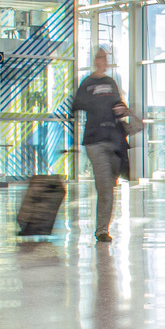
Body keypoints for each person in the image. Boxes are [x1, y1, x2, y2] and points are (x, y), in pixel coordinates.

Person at [68, 48, 133, 243]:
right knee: (104, 185)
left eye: (105, 58)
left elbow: (117, 105)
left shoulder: (111, 83)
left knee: (110, 186)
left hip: (113, 141)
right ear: (95, 61)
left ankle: (103, 226)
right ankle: (101, 230)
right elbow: (76, 105)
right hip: (95, 142)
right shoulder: (87, 84)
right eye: (99, 58)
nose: (102, 61)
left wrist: (122, 110)